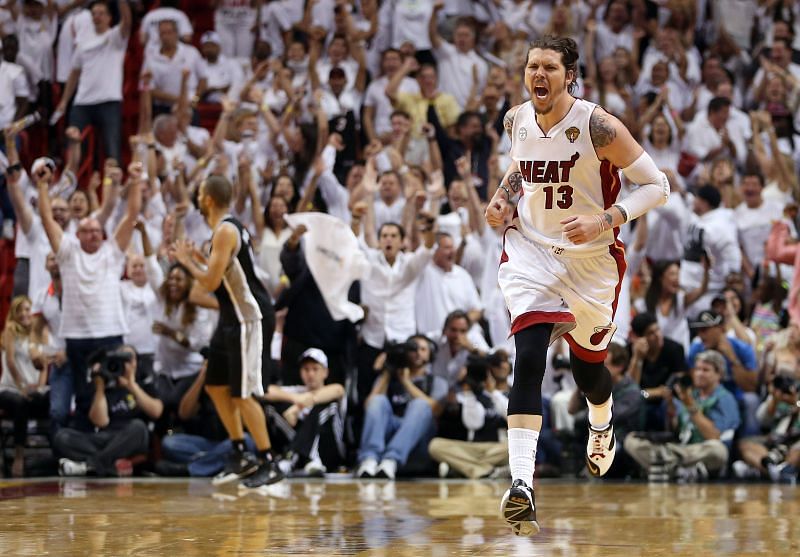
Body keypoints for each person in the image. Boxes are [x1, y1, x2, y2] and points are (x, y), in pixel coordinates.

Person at [484, 36, 669, 537]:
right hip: (532, 252)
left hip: (592, 263)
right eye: (531, 67)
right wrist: (503, 199)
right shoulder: (515, 119)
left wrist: (607, 220)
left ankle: (602, 418)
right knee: (528, 357)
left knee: (589, 372)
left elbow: (658, 186)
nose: (537, 75)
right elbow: (521, 170)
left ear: (570, 76)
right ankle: (522, 483)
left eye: (548, 68)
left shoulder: (598, 124)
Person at [171, 175, 282, 489]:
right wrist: (195, 256)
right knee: (216, 386)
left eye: (200, 191)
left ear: (207, 198)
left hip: (249, 317)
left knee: (243, 394)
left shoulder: (225, 230)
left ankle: (268, 460)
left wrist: (185, 262)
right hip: (230, 318)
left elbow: (209, 283)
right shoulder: (222, 232)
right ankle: (238, 453)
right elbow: (222, 272)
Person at [625, 350, 741, 482]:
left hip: (703, 450)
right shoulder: (691, 394)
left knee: (718, 450)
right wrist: (671, 409)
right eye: (697, 369)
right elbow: (676, 432)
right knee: (631, 440)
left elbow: (714, 436)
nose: (699, 374)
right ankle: (678, 470)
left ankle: (666, 466)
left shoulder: (725, 398)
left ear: (719, 374)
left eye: (705, 370)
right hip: (681, 449)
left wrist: (691, 406)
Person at [54, 346, 163, 477]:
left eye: (128, 358)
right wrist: (100, 387)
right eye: (119, 358)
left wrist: (132, 385)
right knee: (62, 437)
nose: (124, 363)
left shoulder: (144, 382)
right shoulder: (105, 383)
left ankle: (90, 465)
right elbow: (100, 422)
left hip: (131, 438)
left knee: (138, 427)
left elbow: (156, 412)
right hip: (106, 438)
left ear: (136, 362)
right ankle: (109, 464)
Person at [0, 296, 49, 477]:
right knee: (20, 403)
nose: (24, 314)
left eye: (27, 309)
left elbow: (44, 364)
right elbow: (10, 361)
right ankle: (18, 457)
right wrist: (21, 386)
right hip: (9, 389)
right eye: (19, 310)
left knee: (53, 400)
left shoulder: (39, 333)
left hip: (33, 389)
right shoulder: (10, 331)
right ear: (14, 313)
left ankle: (60, 456)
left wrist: (41, 387)